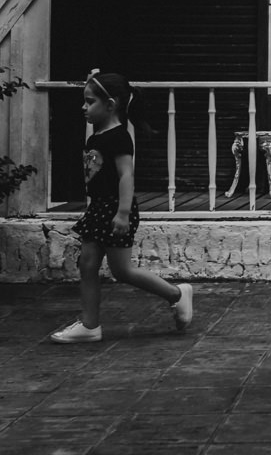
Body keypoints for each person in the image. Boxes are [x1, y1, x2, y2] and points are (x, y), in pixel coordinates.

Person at [50, 70, 194, 343]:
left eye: (90, 101)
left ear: (110, 104)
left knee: (122, 271)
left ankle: (177, 294)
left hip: (115, 208)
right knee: (88, 264)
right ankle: (90, 325)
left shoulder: (119, 137)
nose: (84, 107)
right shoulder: (96, 136)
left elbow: (126, 175)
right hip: (98, 208)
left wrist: (123, 213)